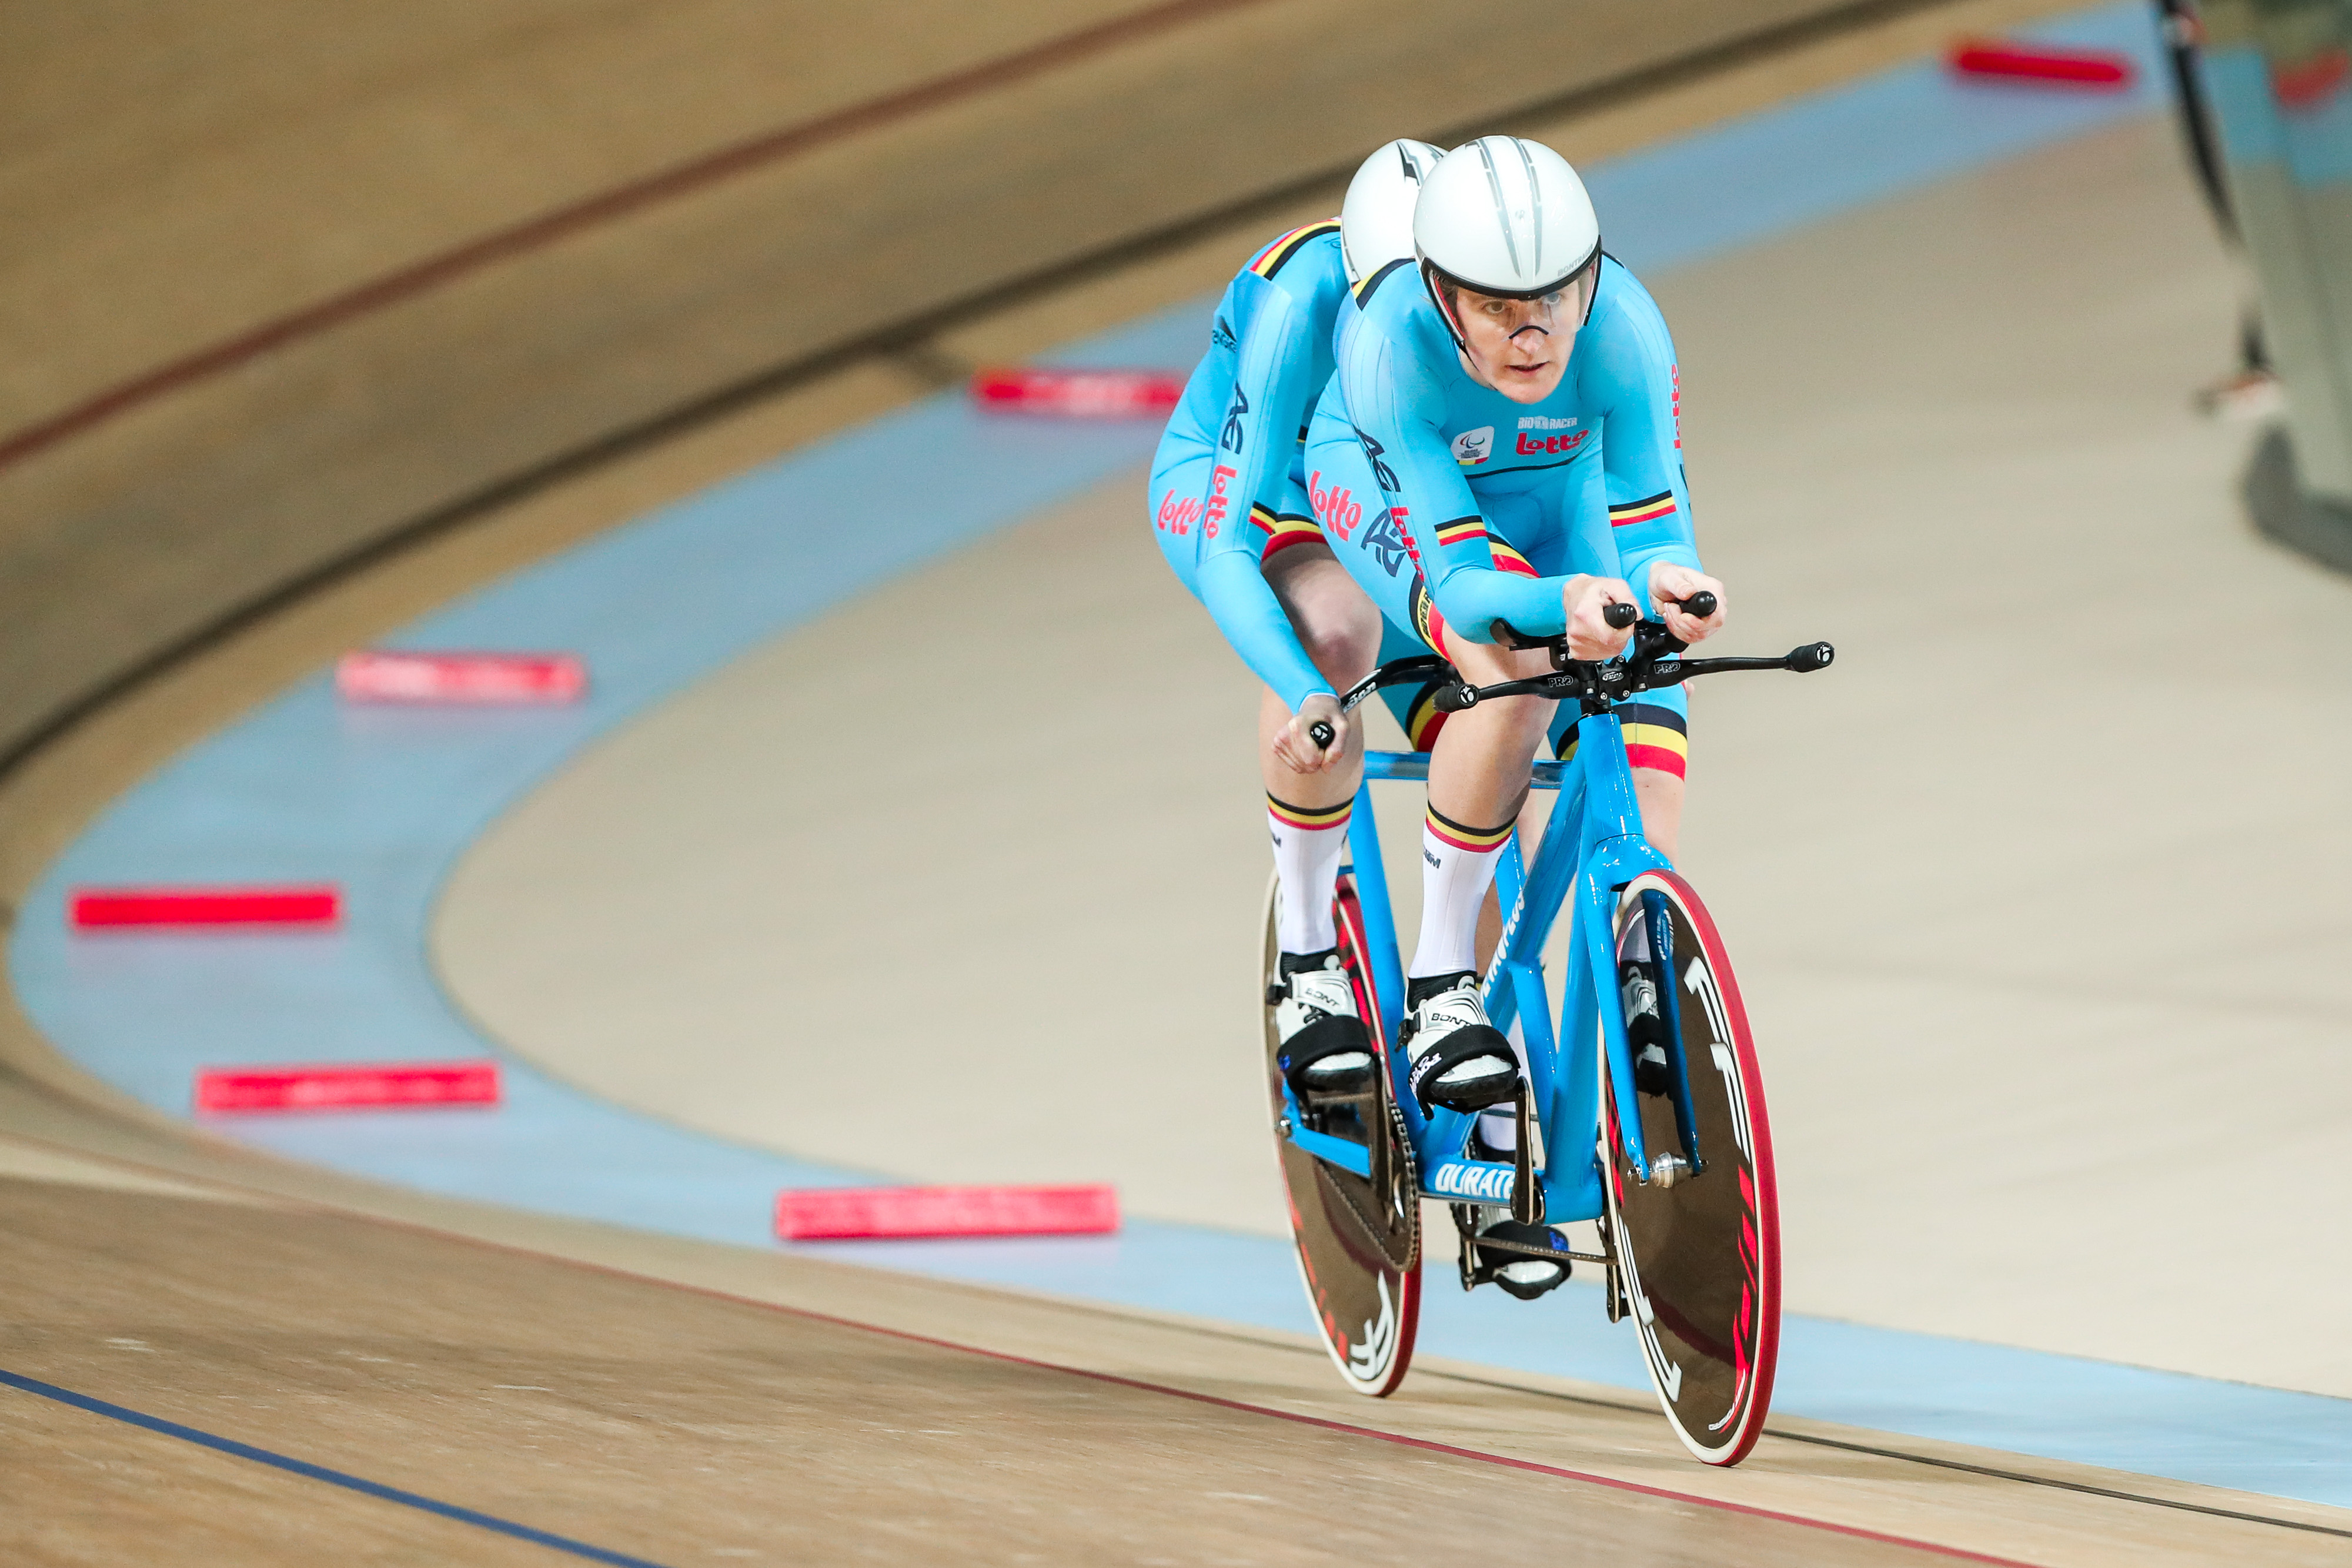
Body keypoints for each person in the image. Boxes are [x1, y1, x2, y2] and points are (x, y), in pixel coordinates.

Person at [1307, 135, 1727, 1216]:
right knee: (1511, 660)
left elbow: (1647, 512)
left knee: (1643, 655)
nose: (1532, 328)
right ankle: (1443, 982)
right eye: (1497, 307)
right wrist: (1561, 607)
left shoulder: (1625, 323)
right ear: (1441, 293)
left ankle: (1634, 958)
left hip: (1554, 492)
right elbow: (1458, 572)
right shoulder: (1391, 346)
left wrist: (1667, 581)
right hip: (1408, 504)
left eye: (1553, 297)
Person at [1148, 141, 1442, 1101]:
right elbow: (1233, 543)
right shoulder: (1296, 303)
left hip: (1379, 483)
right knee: (1337, 629)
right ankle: (1311, 961)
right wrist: (1310, 689)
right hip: (1247, 483)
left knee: (1501, 734)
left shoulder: (1493, 299)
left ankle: (1462, 1022)